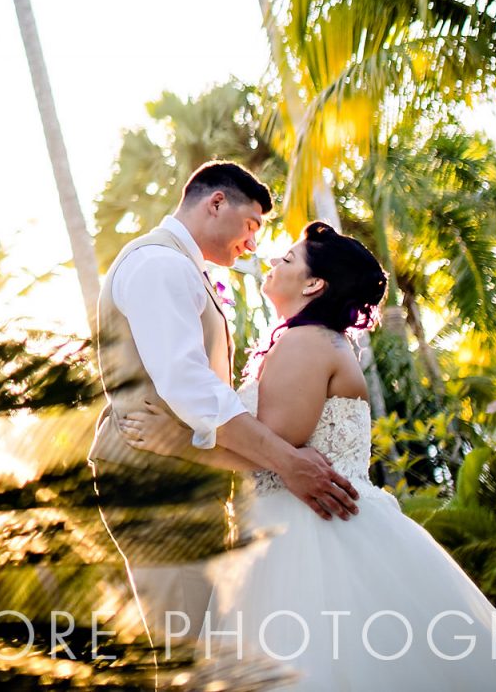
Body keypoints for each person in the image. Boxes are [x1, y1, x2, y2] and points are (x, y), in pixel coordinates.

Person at [122, 221, 496, 689]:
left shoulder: (307, 342)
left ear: (315, 284)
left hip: (306, 531)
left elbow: (273, 449)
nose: (275, 261)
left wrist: (172, 443)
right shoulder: (314, 341)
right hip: (311, 518)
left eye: (289, 259)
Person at [90, 163, 358, 657]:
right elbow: (188, 386)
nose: (254, 245)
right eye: (252, 225)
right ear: (216, 203)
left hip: (178, 482)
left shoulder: (180, 267)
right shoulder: (161, 265)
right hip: (157, 486)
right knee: (185, 649)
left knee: (202, 646)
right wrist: (284, 460)